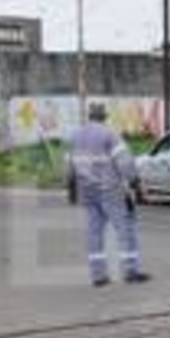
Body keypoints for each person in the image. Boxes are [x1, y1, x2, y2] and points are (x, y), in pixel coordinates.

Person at [67, 105, 150, 287]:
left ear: (90, 116)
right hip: (110, 190)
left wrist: (71, 189)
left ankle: (98, 276)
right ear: (104, 117)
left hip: (87, 191)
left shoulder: (75, 136)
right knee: (126, 228)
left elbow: (70, 166)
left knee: (94, 232)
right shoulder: (109, 134)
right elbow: (125, 162)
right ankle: (130, 271)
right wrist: (134, 182)